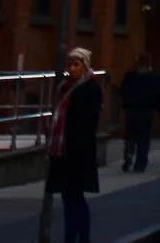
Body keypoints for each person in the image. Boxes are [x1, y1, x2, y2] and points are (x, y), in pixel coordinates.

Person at [46, 49, 103, 243]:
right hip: (62, 152)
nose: (71, 68)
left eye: (76, 64)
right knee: (68, 197)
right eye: (70, 64)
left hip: (79, 152)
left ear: (85, 65)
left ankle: (80, 238)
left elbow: (89, 123)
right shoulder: (64, 87)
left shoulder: (91, 89)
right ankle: (71, 237)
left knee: (75, 197)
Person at [119, 53, 159, 172]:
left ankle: (128, 158)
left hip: (131, 110)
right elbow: (156, 93)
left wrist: (126, 104)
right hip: (146, 111)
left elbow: (123, 91)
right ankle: (140, 163)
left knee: (130, 137)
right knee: (143, 138)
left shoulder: (130, 76)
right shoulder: (152, 77)